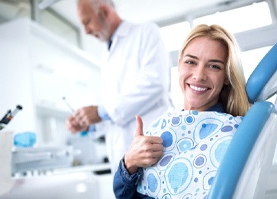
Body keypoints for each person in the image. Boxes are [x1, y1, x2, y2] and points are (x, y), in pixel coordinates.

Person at [113, 24, 251, 199]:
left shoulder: (230, 133)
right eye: (191, 62)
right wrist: (129, 162)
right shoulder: (166, 124)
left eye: (214, 66)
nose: (199, 75)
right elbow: (121, 193)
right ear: (179, 65)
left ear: (226, 76)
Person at [66, 0, 173, 174]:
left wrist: (100, 112)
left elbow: (155, 84)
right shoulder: (106, 54)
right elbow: (116, 110)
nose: (86, 31)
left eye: (87, 22)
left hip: (152, 152)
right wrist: (89, 123)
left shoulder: (145, 32)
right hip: (124, 161)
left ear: (105, 12)